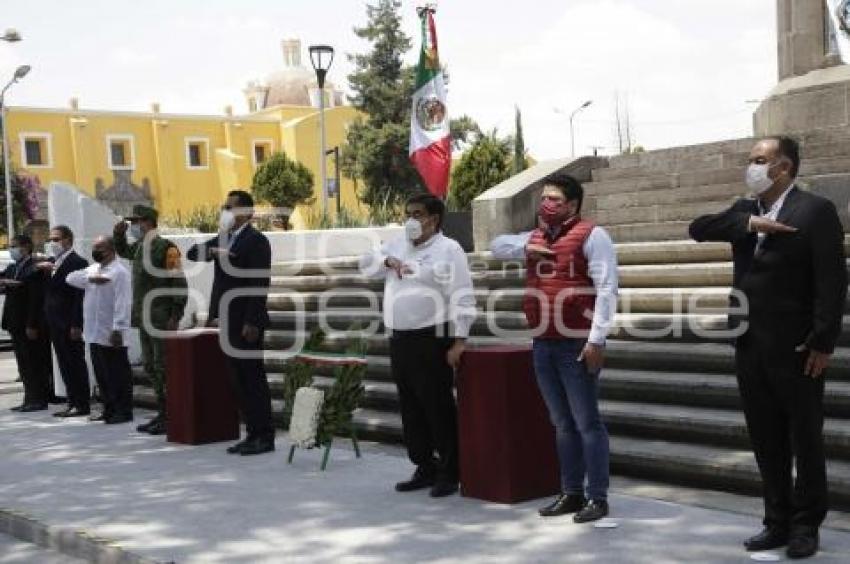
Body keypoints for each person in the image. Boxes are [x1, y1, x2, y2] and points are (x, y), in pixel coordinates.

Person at [689, 136, 847, 559]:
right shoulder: (746, 211)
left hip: (797, 348)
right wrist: (750, 226)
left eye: (760, 160)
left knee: (805, 439)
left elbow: (832, 283)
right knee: (765, 439)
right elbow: (698, 228)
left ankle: (805, 524)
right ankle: (775, 521)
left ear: (785, 167)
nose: (752, 167)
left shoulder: (815, 211)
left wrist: (823, 341)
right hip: (750, 344)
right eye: (751, 160)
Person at [359, 193, 476, 498]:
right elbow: (365, 263)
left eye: (418, 213)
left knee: (437, 406)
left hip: (432, 337)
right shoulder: (398, 243)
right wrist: (386, 260)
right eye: (408, 213)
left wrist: (460, 340)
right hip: (400, 337)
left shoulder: (449, 249)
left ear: (434, 219)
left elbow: (462, 294)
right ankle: (424, 465)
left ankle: (451, 471)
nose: (411, 219)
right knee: (410, 407)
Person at [520, 173, 618, 524]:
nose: (546, 205)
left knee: (587, 422)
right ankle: (571, 492)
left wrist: (596, 339)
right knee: (561, 422)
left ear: (573, 205)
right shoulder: (535, 237)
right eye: (544, 198)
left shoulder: (594, 235)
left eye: (555, 200)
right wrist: (523, 248)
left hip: (576, 342)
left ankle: (598, 497)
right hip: (543, 342)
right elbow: (498, 245)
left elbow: (607, 289)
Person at [186, 190, 274, 456]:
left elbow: (259, 284)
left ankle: (264, 436)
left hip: (246, 321)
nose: (225, 211)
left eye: (230, 207)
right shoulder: (225, 239)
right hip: (226, 318)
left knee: (252, 379)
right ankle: (251, 433)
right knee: (237, 379)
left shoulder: (256, 241)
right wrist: (212, 250)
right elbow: (192, 253)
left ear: (246, 213)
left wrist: (252, 321)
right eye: (224, 206)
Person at [114, 205, 187, 435]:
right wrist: (118, 235)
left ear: (148, 222)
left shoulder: (166, 248)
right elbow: (123, 251)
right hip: (144, 317)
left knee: (163, 366)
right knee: (150, 366)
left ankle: (172, 414)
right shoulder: (138, 247)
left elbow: (179, 282)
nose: (133, 226)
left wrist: (176, 314)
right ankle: (162, 412)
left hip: (161, 316)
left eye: (136, 222)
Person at [66, 236, 134, 424]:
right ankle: (109, 409)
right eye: (95, 247)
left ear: (111, 249)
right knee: (102, 375)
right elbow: (70, 278)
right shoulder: (93, 269)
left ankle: (123, 411)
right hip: (94, 332)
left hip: (112, 332)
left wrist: (118, 329)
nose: (96, 251)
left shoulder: (119, 272)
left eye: (100, 248)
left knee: (118, 374)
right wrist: (91, 278)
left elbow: (124, 302)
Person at [36, 225, 90, 417]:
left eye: (56, 239)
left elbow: (79, 296)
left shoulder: (78, 262)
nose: (53, 243)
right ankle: (72, 401)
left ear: (68, 240)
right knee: (64, 364)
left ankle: (82, 403)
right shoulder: (52, 262)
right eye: (51, 239)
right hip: (54, 322)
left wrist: (77, 324)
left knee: (75, 362)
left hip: (69, 323)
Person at [1, 234, 52, 412]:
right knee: (23, 364)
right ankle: (28, 398)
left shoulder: (35, 268)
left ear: (26, 247)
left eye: (14, 246)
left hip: (28, 323)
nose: (12, 250)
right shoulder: (13, 267)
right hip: (14, 323)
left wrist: (32, 324)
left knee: (34, 362)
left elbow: (35, 300)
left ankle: (38, 399)